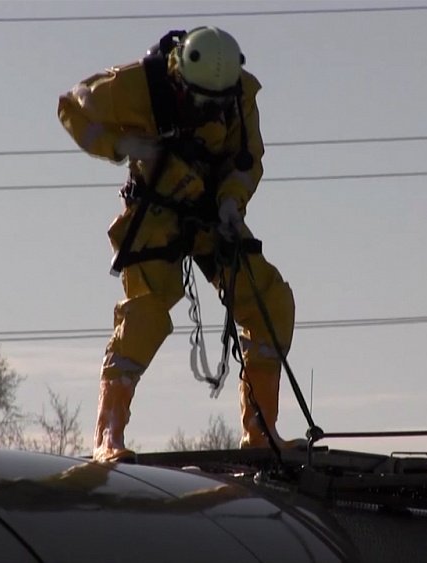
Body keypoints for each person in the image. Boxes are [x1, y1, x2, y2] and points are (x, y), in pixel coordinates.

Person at [57, 27, 301, 463]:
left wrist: (231, 200)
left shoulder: (240, 96)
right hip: (157, 209)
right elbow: (73, 106)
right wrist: (121, 145)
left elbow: (248, 160)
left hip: (211, 212)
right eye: (201, 100)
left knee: (270, 301)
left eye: (216, 103)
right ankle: (108, 434)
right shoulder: (139, 85)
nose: (209, 109)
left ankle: (261, 433)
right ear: (181, 77)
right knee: (147, 311)